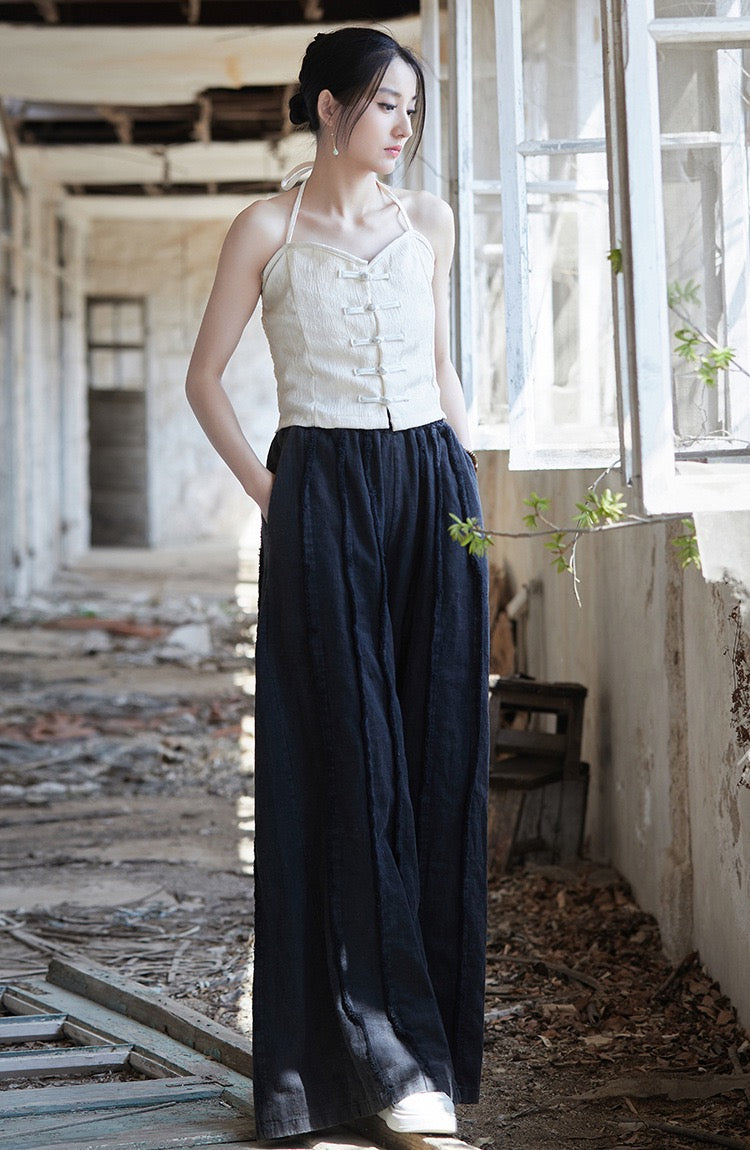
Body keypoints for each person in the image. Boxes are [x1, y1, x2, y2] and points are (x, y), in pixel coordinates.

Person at [185, 26, 489, 1142]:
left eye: (412, 107)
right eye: (384, 103)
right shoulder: (266, 227)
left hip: (433, 488)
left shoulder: (431, 223)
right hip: (321, 487)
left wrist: (471, 499)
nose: (403, 125)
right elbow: (205, 379)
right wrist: (273, 493)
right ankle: (377, 1062)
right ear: (327, 106)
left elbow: (442, 369)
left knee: (438, 758)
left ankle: (429, 1051)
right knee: (347, 759)